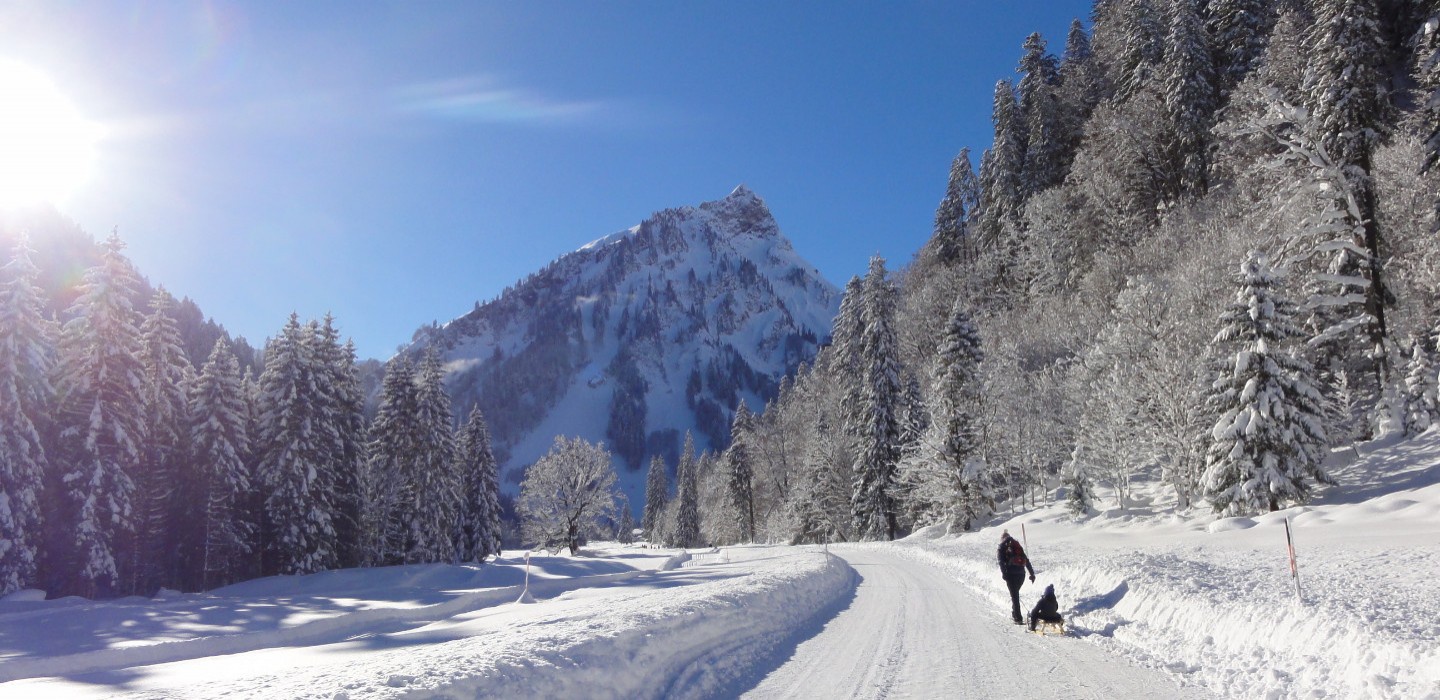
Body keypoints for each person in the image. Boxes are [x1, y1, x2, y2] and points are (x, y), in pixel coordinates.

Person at [997, 529, 1034, 624]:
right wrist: (1032, 574)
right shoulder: (1016, 545)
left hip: (1011, 575)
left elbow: (1001, 562)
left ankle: (1018, 618)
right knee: (1015, 595)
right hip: (1022, 575)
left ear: (1002, 539)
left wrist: (1004, 574)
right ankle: (1015, 613)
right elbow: (1026, 560)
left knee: (1015, 596)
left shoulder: (1002, 547)